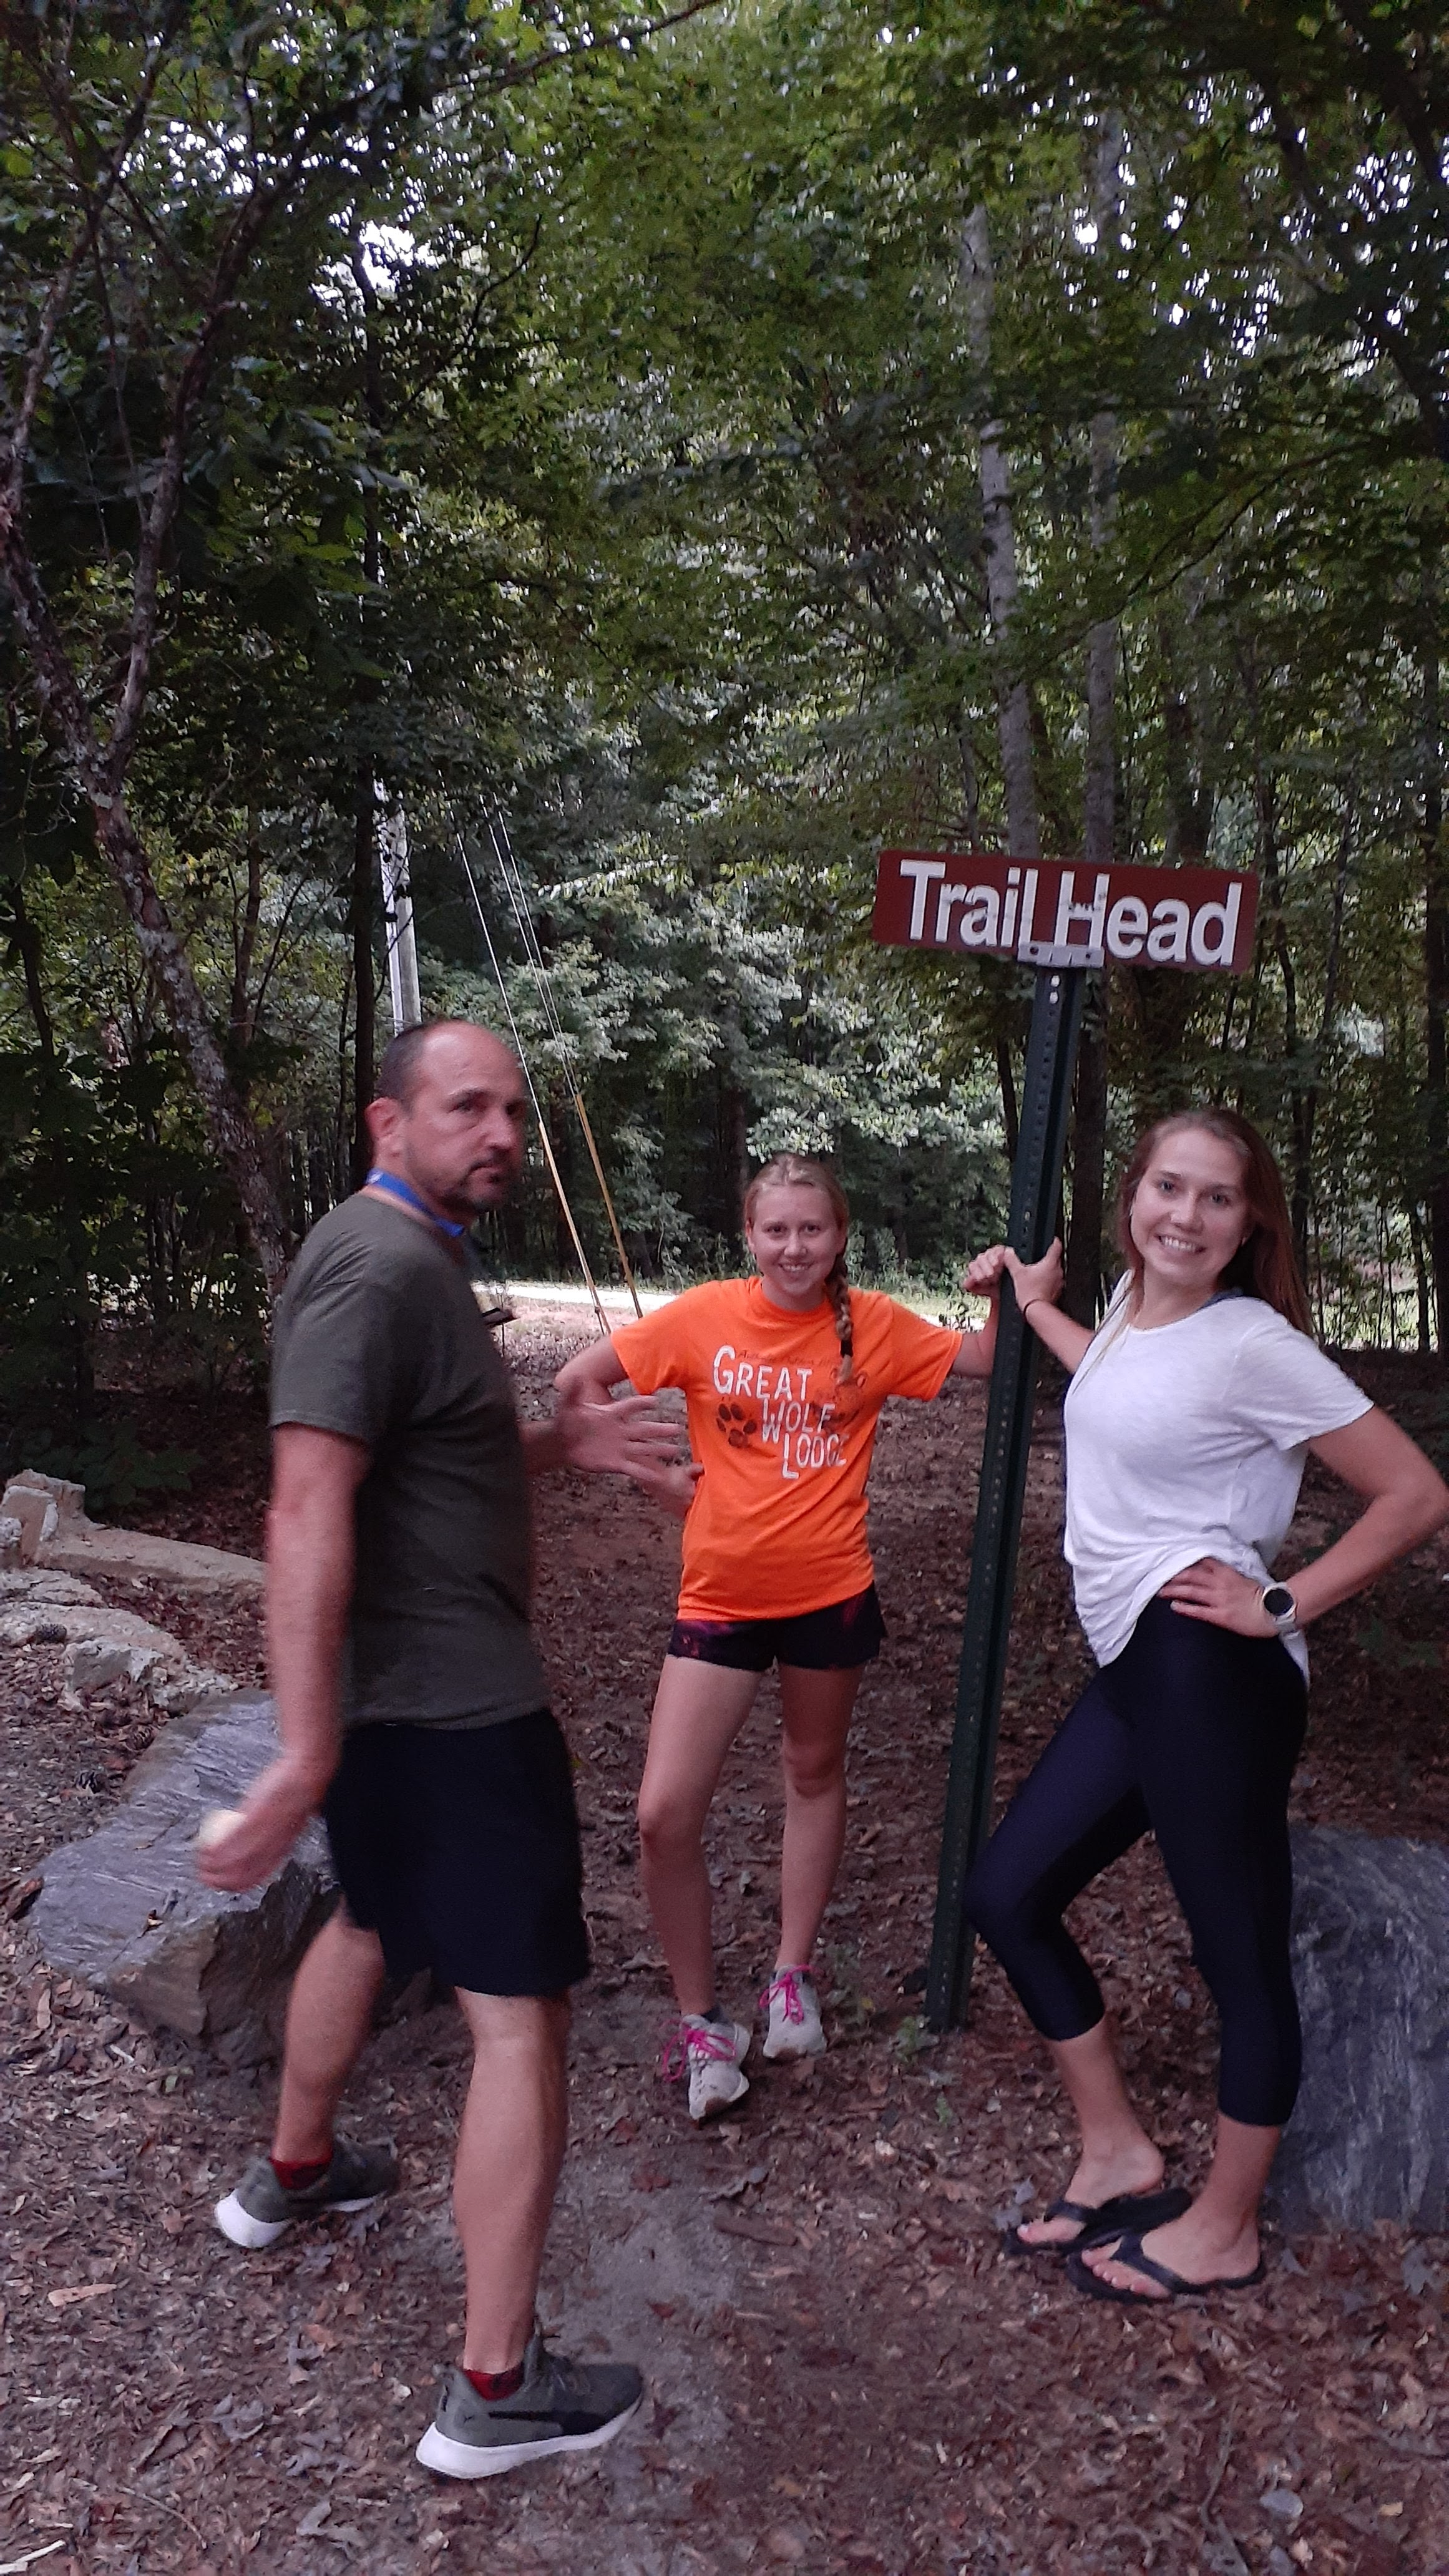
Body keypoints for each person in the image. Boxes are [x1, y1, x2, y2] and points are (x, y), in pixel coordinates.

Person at [198, 1018, 683, 2477]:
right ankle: (497, 2385)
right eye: (468, 1107)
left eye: (513, 1113)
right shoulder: (378, 1266)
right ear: (386, 1121)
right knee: (520, 2021)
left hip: (402, 1705)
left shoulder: (409, 1255)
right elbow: (304, 1504)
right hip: (456, 1709)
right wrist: (299, 1753)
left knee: (370, 1920)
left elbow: (422, 1455)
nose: (502, 1136)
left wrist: (557, 1448)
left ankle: (295, 2172)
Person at [963, 1107, 1449, 2303]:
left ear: (1247, 1225)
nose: (1184, 1215)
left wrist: (1281, 1603)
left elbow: (1413, 1491)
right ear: (1133, 1196)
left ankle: (1224, 2229)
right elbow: (1115, 1380)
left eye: (1215, 1198)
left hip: (1209, 1671)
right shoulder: (1135, 1314)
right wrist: (1033, 1304)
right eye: (1166, 1188)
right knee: (1007, 1894)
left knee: (1237, 1951)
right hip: (1142, 1667)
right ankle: (1118, 2152)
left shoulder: (1250, 1344)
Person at [554, 1151, 1033, 2120]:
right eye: (775, 1230)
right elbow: (578, 1385)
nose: (793, 1247)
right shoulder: (703, 1317)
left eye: (811, 1229)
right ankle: (701, 2024)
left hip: (829, 1593)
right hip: (719, 1597)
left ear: (839, 1236)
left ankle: (790, 1977)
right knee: (661, 1814)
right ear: (748, 1236)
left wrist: (1003, 1287)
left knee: (811, 1772)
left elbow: (984, 1360)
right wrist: (650, 1477)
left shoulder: (873, 1325)